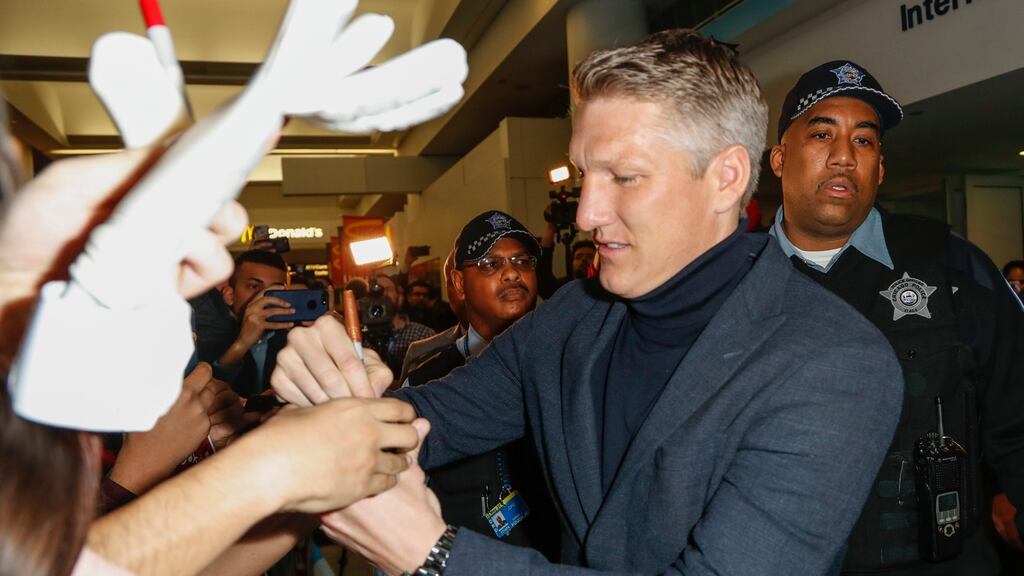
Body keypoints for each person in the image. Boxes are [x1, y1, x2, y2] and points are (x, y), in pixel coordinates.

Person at [271, 29, 904, 575]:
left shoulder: (837, 365)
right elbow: (434, 421)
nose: (588, 214)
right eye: (583, 178)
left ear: (727, 177)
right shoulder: (576, 312)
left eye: (624, 177)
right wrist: (337, 394)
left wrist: (433, 554)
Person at [768, 60, 1024, 574]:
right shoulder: (732, 287)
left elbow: (1018, 422)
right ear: (778, 158)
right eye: (821, 134)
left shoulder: (954, 268)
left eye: (864, 142)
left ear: (880, 168)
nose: (843, 156)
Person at [402, 210, 558, 559]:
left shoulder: (564, 363)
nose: (513, 273)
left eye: (523, 261)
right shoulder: (427, 380)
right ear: (458, 283)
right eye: (490, 264)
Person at [213, 250, 293, 397]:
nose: (264, 297)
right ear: (230, 295)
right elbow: (207, 394)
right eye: (254, 287)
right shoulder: (208, 336)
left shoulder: (293, 339)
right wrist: (242, 344)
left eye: (275, 289)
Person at [398, 249, 466, 384]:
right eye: (417, 294)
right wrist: (406, 266)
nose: (421, 298)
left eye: (424, 295)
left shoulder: (440, 311)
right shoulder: (418, 351)